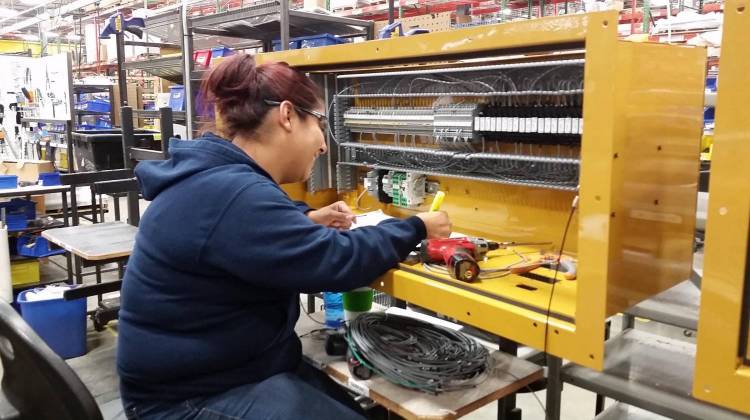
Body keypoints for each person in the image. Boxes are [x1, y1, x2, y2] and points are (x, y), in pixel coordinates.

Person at [116, 53, 452, 420]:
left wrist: (305, 217)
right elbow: (337, 262)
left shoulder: (218, 179)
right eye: (320, 123)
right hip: (187, 399)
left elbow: (247, 223)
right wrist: (416, 227)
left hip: (232, 369)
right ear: (288, 115)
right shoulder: (233, 194)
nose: (324, 145)